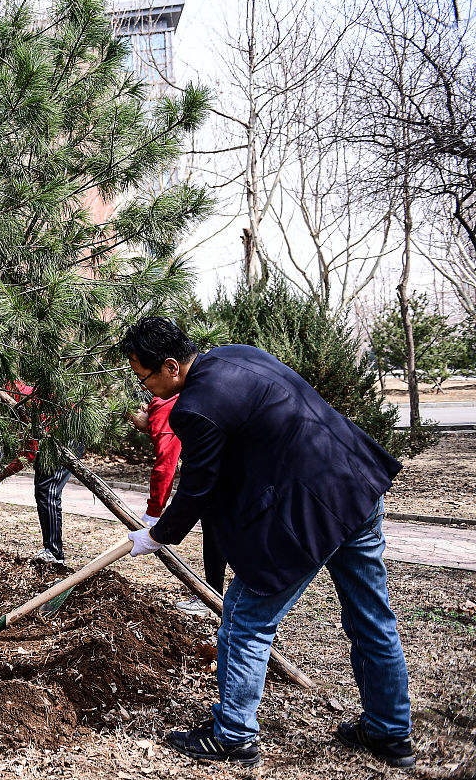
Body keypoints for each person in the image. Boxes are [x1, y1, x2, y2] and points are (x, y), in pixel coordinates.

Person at [118, 317, 412, 768]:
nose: (145, 388)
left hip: (309, 513)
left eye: (144, 376)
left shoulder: (192, 407)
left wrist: (158, 534)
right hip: (356, 486)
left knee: (245, 620)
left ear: (171, 365)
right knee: (372, 616)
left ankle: (234, 735)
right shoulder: (240, 353)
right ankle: (390, 733)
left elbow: (198, 486)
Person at [127, 393, 225, 616]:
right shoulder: (172, 402)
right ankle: (213, 594)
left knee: (219, 533)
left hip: (220, 477)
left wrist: (153, 512)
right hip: (219, 474)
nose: (134, 426)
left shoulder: (162, 409)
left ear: (143, 408)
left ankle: (216, 598)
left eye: (132, 418)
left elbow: (165, 465)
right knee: (215, 533)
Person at [0, 381, 70, 565]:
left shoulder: (19, 402)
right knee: (44, 491)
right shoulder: (9, 392)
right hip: (52, 434)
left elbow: (29, 452)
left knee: (48, 490)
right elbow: (19, 433)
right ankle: (51, 549)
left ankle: (54, 554)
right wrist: (5, 446)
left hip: (66, 433)